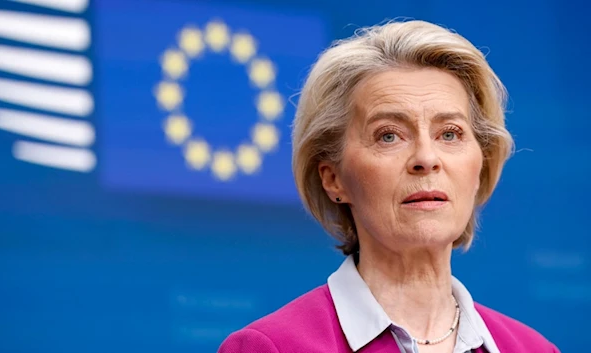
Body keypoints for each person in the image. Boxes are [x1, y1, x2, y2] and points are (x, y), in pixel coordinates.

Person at [218, 20, 560, 353]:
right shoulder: (271, 347)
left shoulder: (533, 349)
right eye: (389, 135)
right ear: (333, 178)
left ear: (480, 165)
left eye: (450, 133)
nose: (426, 158)